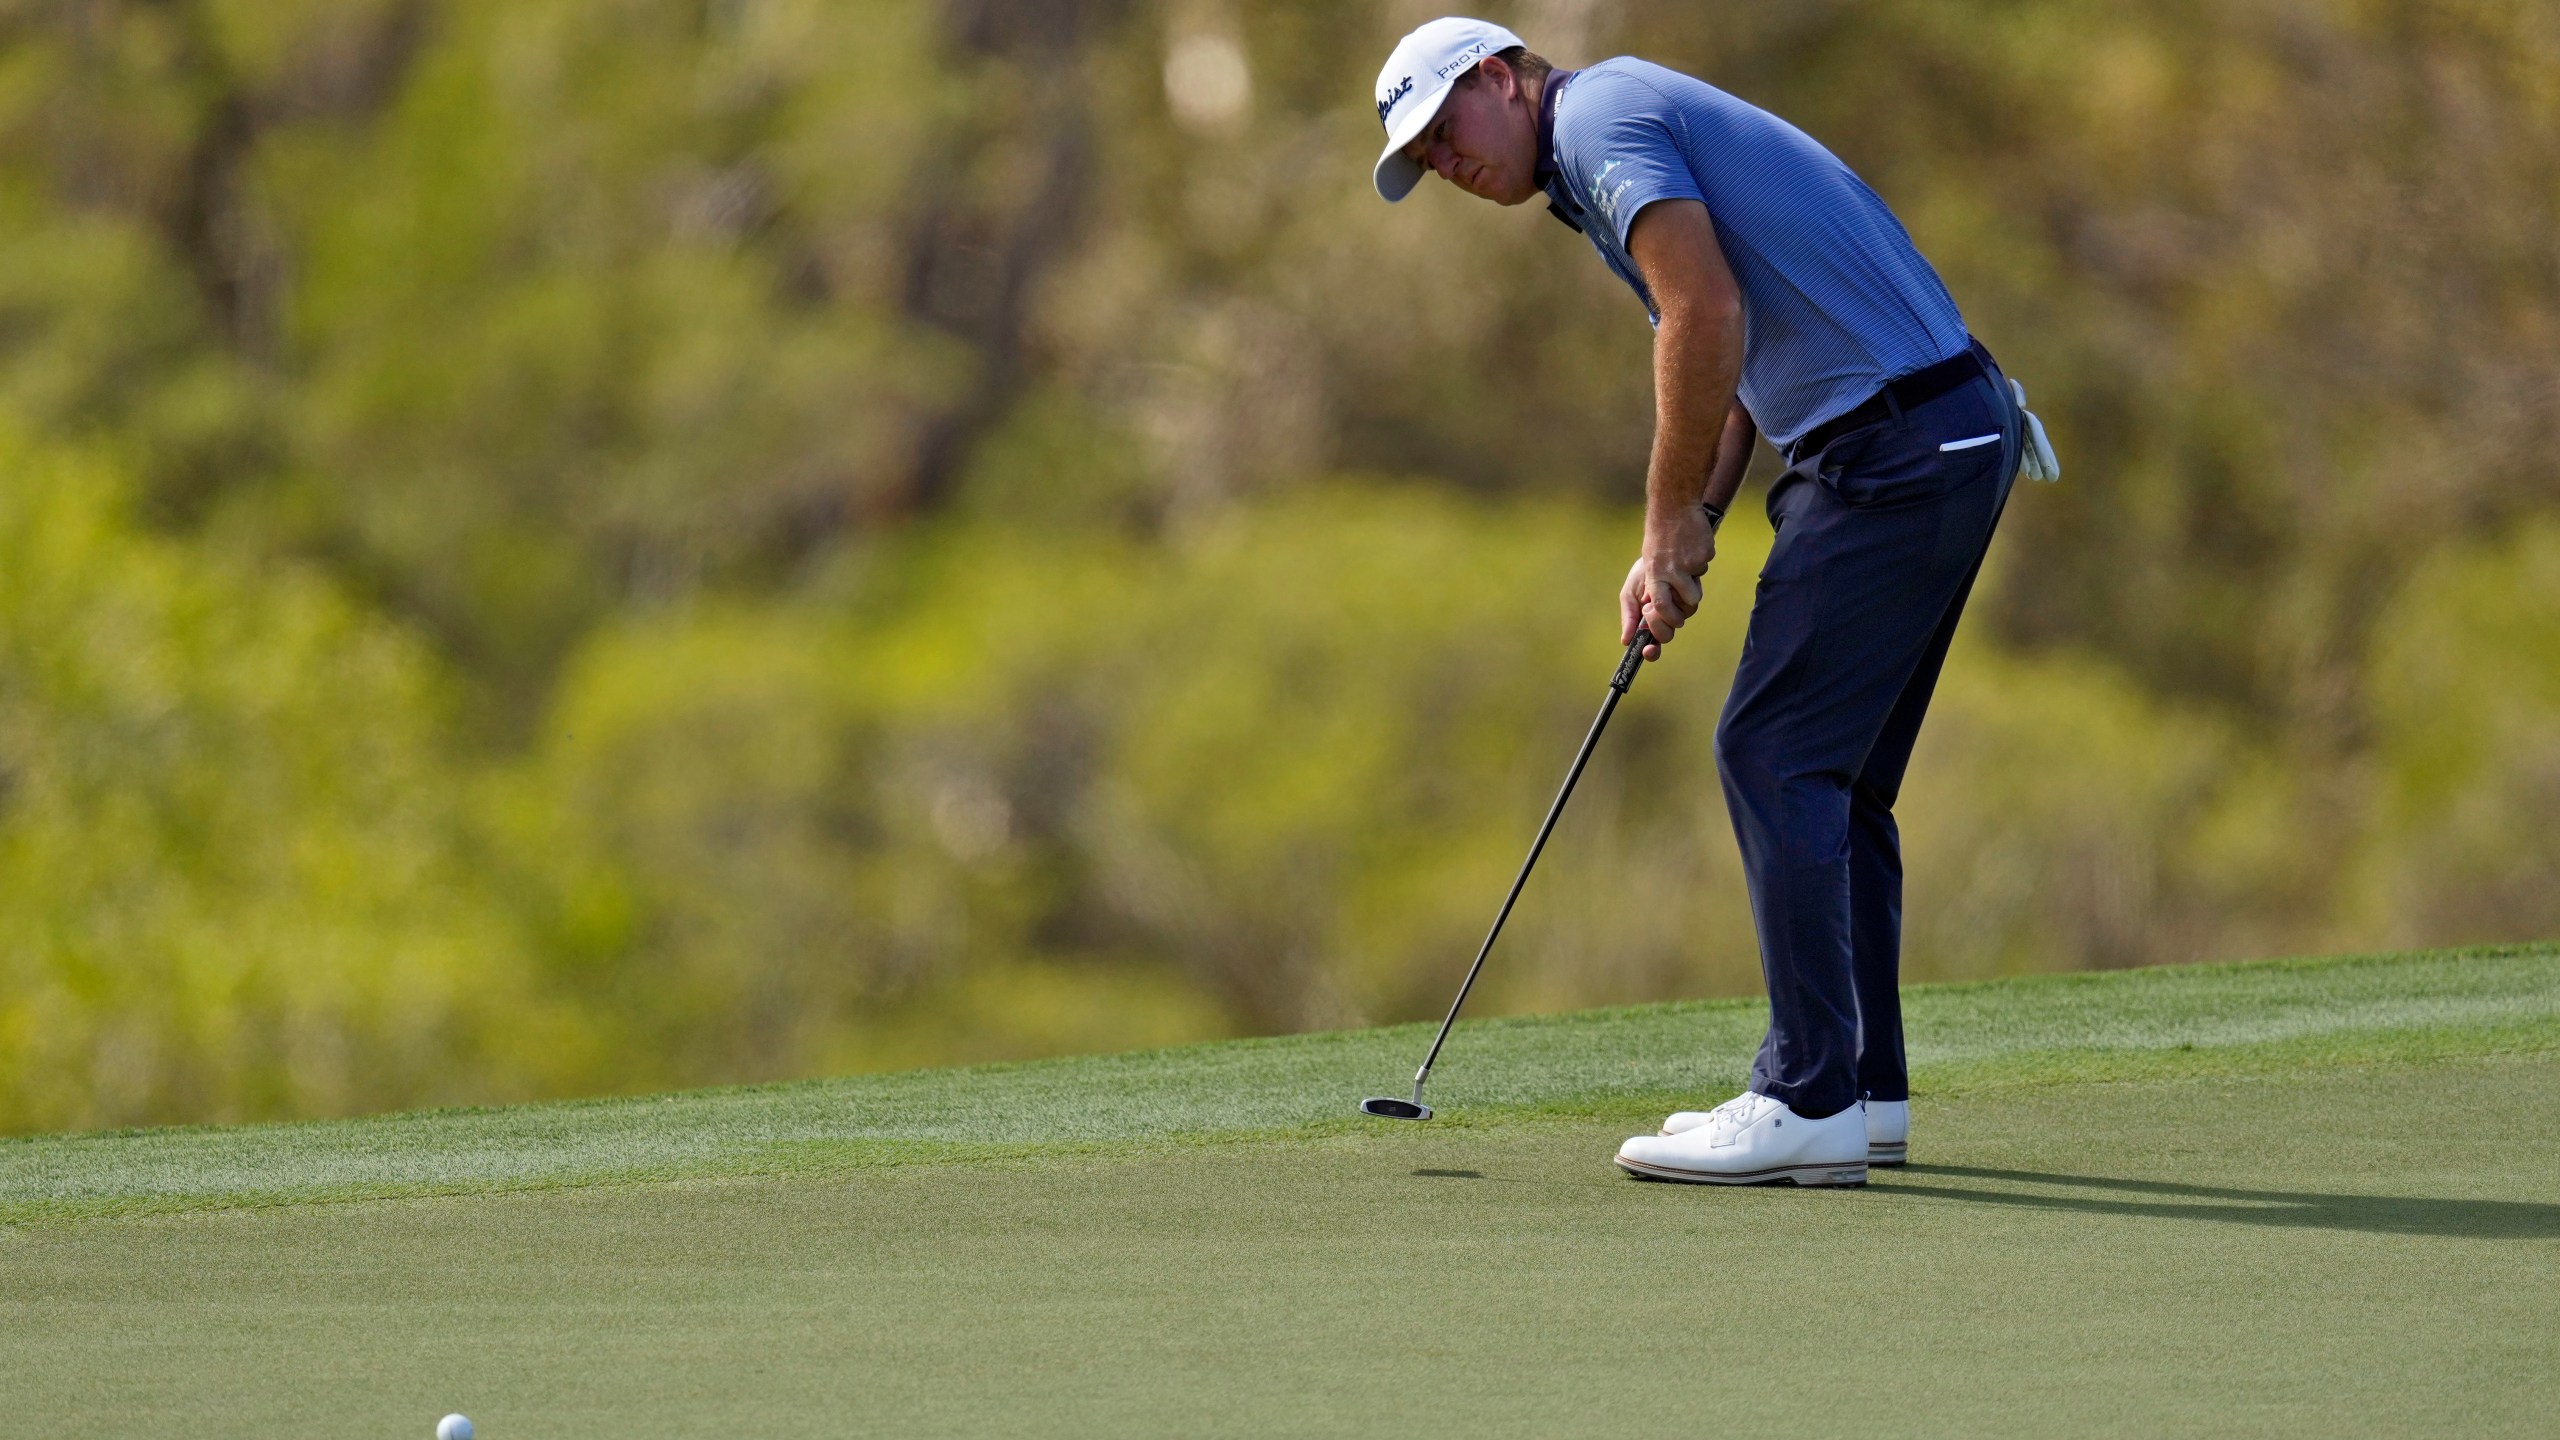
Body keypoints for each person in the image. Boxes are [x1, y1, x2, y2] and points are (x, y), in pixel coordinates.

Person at [1370, 18, 2057, 1185]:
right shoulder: (1593, 171)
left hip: (1897, 448)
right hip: (1942, 432)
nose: (1445, 164)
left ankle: (1805, 1098)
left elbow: (1704, 317)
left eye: (1444, 132)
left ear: (1497, 77)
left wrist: (1662, 520)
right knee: (1833, 783)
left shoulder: (1596, 122)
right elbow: (1730, 363)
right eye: (1423, 159)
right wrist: (1686, 535)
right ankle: (1863, 1093)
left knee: (1772, 751)